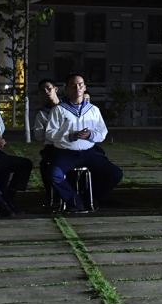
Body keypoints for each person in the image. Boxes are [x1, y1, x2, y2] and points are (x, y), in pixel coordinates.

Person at [44, 74, 124, 210]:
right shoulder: (59, 110)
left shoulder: (93, 110)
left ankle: (92, 197)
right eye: (73, 85)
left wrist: (90, 135)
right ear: (66, 88)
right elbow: (50, 133)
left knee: (115, 173)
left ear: (84, 87)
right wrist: (70, 136)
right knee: (55, 175)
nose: (77, 88)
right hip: (66, 152)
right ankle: (75, 200)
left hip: (88, 152)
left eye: (80, 84)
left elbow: (102, 132)